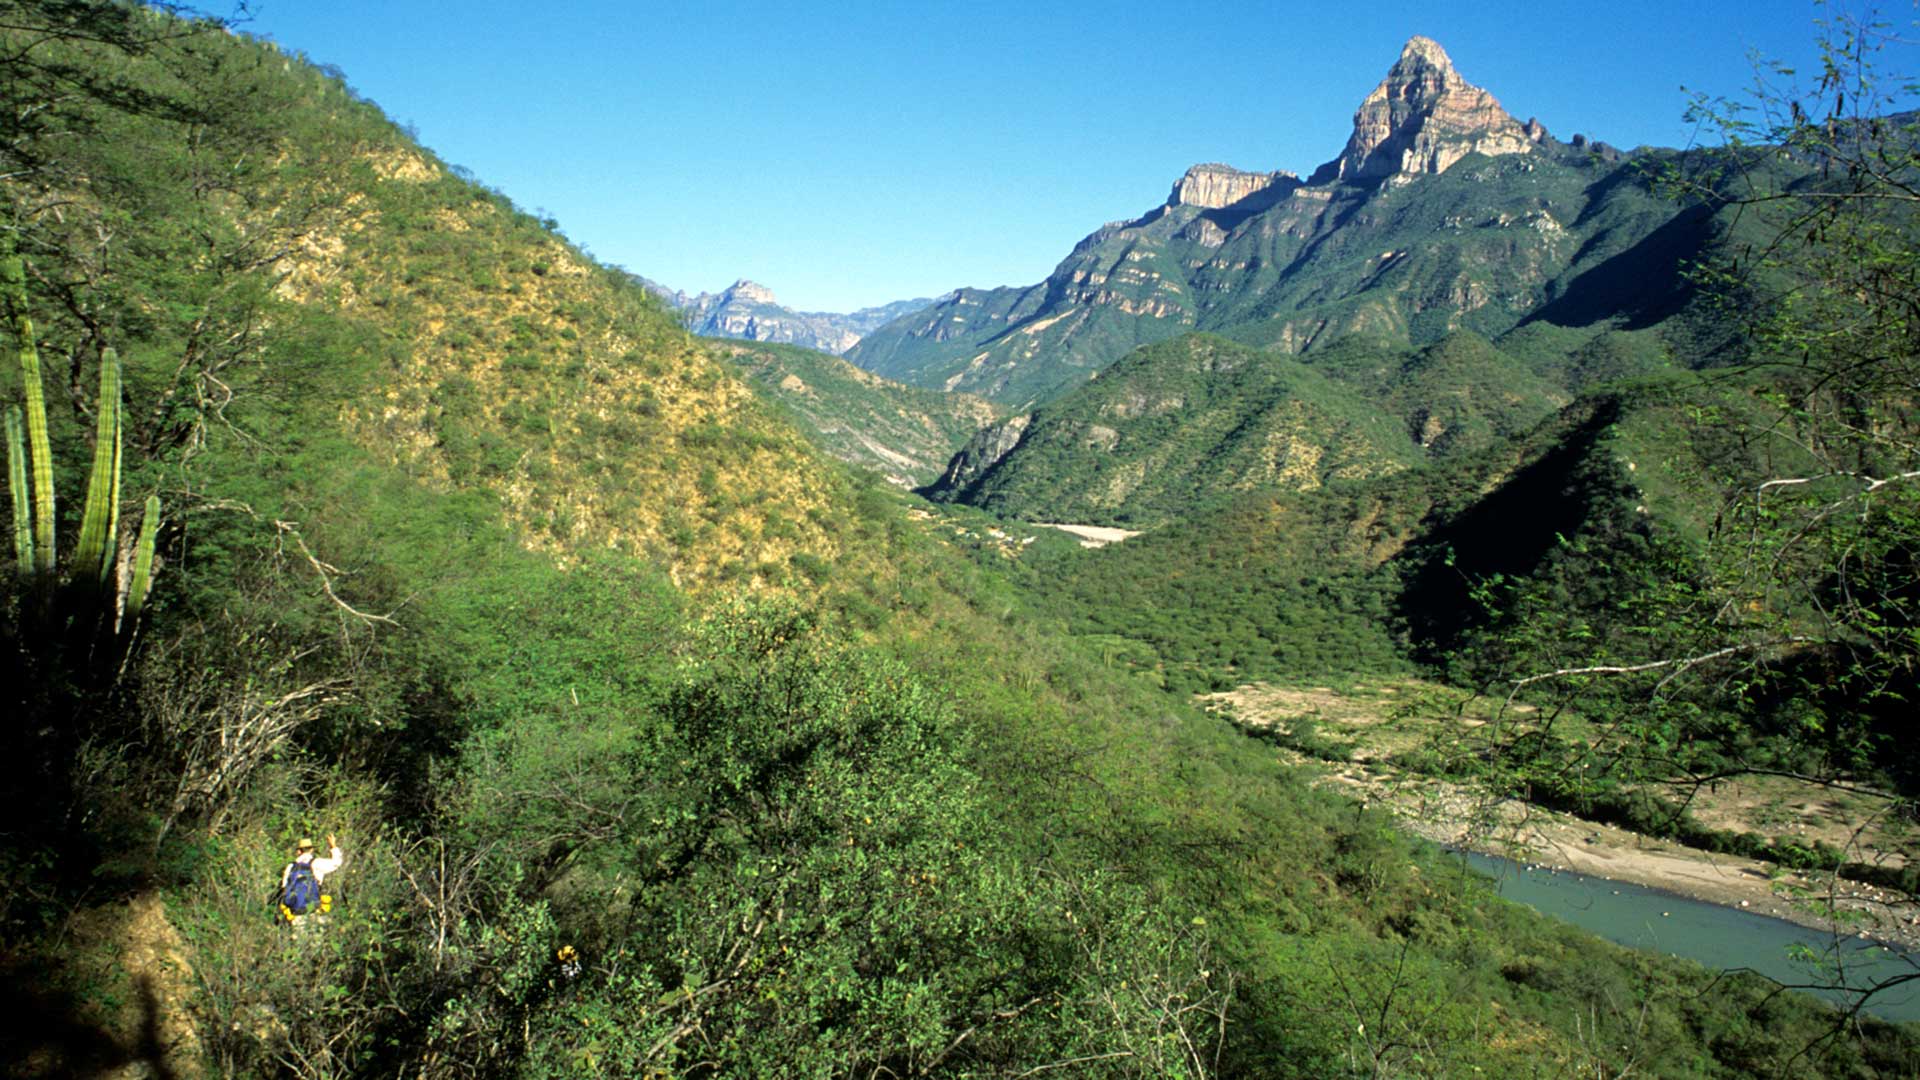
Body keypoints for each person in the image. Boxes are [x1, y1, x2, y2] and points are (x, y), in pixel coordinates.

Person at [278, 833, 345, 931]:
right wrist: (333, 846)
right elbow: (336, 863)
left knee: (299, 943)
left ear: (298, 851)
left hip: (296, 913)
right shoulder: (316, 863)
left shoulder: (290, 867)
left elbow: (284, 889)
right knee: (316, 942)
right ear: (311, 850)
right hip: (314, 911)